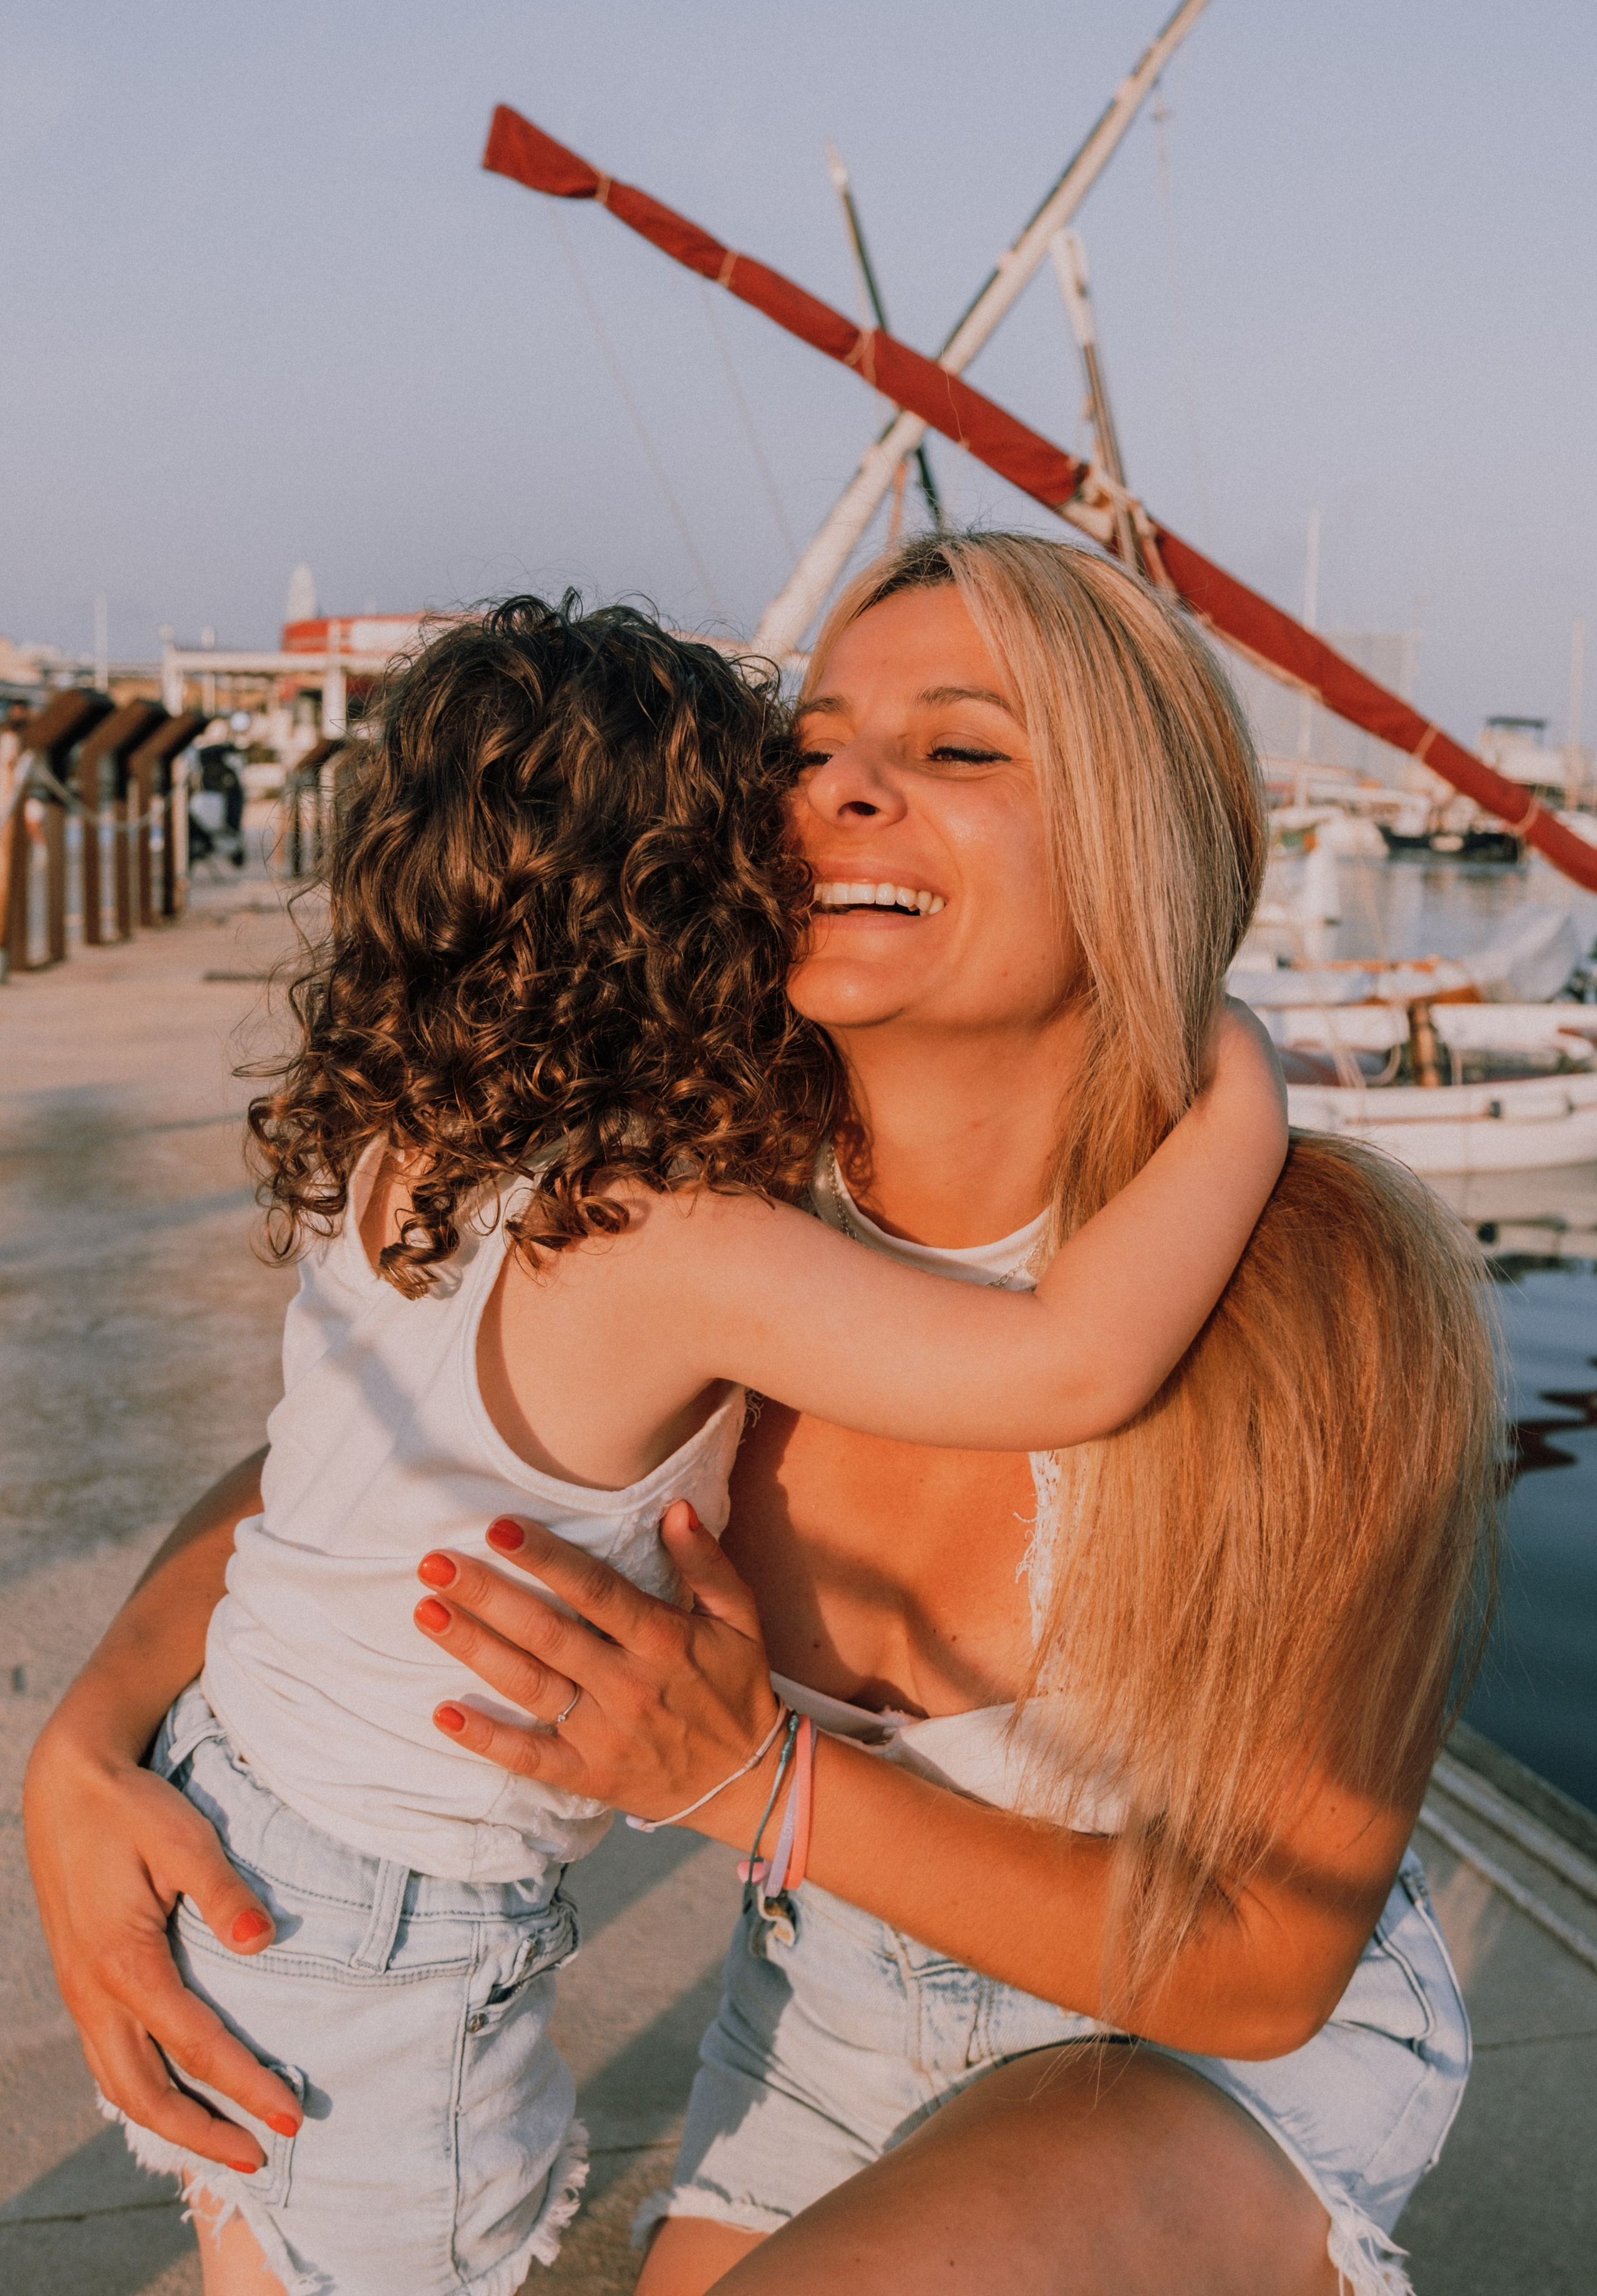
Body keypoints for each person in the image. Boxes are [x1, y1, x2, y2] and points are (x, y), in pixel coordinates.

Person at [26, 533, 1495, 2296]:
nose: (845, 789)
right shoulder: (710, 1191)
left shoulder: (1310, 1282)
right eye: (810, 749)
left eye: (959, 748)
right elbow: (357, 1471)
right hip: (828, 2024)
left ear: (1140, 840)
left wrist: (753, 1778)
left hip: (1218, 2051)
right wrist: (85, 1744)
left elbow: (1263, 1959)